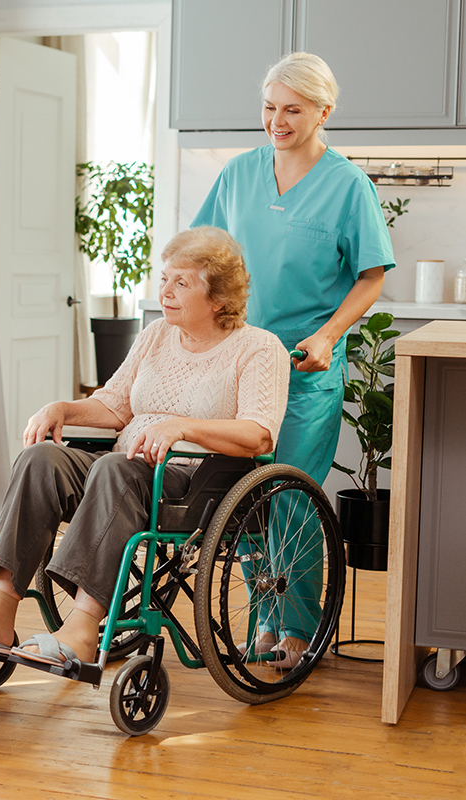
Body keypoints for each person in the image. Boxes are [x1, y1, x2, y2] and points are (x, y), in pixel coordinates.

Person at [0, 226, 290, 671]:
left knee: (115, 468)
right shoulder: (156, 335)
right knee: (42, 459)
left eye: (182, 283)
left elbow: (260, 435)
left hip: (195, 484)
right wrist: (62, 409)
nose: (165, 291)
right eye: (164, 278)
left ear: (219, 299)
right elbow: (114, 406)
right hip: (122, 467)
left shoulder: (259, 348)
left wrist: (181, 426)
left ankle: (82, 627)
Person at [192, 52, 396, 666]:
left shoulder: (348, 184)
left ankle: (298, 629)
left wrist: (330, 334)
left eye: (292, 110)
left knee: (291, 501)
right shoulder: (237, 174)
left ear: (323, 113)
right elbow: (207, 255)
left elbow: (370, 276)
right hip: (241, 366)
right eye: (269, 107)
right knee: (245, 500)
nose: (276, 120)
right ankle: (262, 621)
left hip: (305, 369)